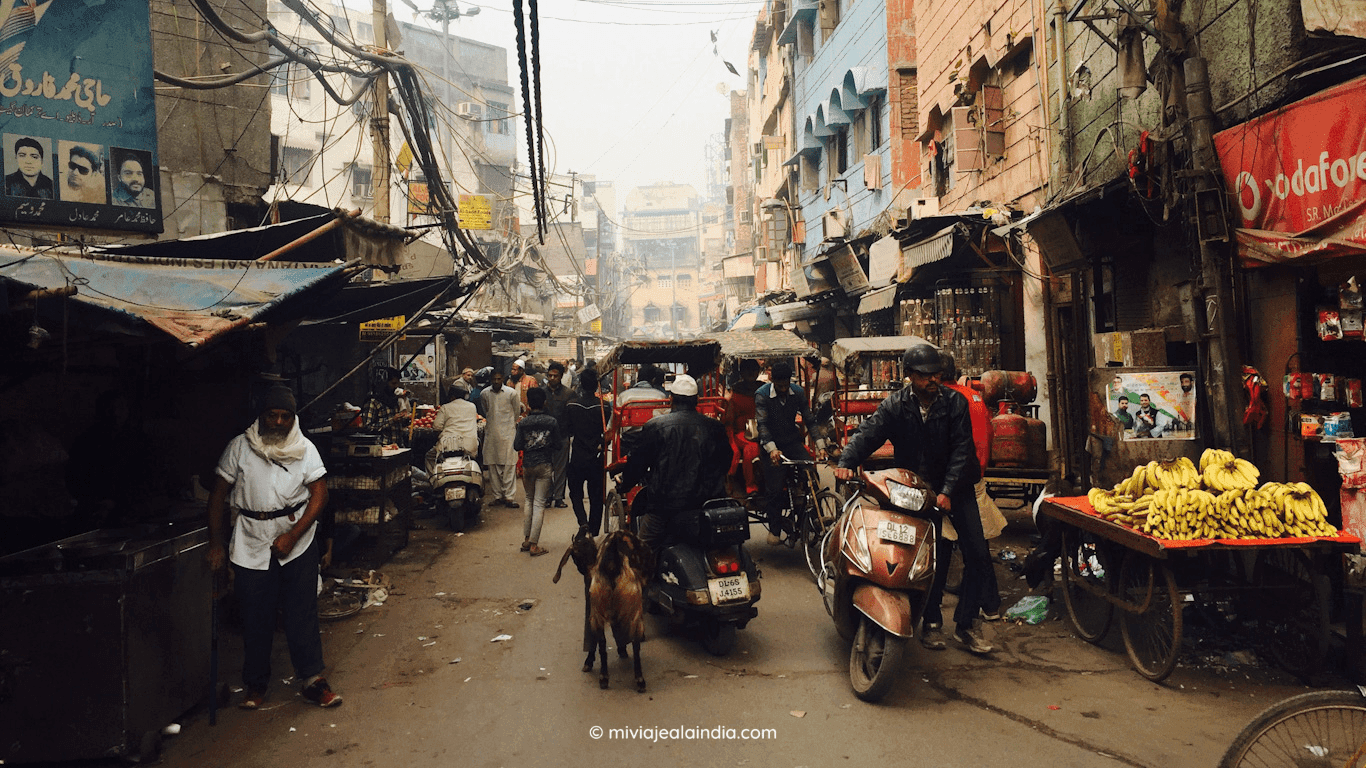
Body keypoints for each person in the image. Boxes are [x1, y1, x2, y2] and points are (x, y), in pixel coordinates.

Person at [834, 343, 994, 655]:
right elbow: (869, 434)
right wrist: (845, 463)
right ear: (909, 376)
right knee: (926, 558)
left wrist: (947, 491)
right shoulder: (895, 406)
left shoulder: (955, 403)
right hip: (918, 490)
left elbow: (962, 449)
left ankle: (965, 624)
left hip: (957, 487)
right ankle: (931, 622)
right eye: (924, 375)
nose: (932, 380)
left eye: (936, 374)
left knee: (978, 554)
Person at [206, 385, 342, 709]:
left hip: (297, 539)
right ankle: (256, 684)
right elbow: (216, 497)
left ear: (293, 419)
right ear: (262, 416)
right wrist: (215, 543)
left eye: (285, 416)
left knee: (301, 612)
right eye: (273, 415)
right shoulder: (239, 448)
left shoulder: (305, 449)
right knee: (256, 616)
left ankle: (312, 680)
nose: (278, 422)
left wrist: (293, 536)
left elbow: (320, 496)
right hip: (251, 540)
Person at [619, 374, 733, 554]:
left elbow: (638, 463)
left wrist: (625, 483)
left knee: (639, 558)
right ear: (696, 400)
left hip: (664, 508)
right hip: (706, 504)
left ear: (671, 399)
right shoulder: (714, 427)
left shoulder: (655, 426)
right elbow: (726, 460)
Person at [931, 352, 1003, 631]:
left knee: (951, 548)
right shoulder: (974, 398)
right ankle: (985, 606)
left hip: (955, 484)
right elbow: (986, 435)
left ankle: (971, 610)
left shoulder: (947, 400)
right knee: (976, 546)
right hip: (974, 478)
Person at [755, 361, 828, 542]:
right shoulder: (762, 395)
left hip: (792, 442)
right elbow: (762, 426)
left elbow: (810, 420)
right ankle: (775, 528)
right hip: (771, 445)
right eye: (779, 386)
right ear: (772, 381)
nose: (782, 389)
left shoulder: (798, 392)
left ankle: (814, 518)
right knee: (775, 487)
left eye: (785, 385)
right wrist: (772, 449)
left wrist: (821, 446)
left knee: (812, 475)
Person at [514, 387, 561, 557]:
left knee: (529, 500)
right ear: (544, 402)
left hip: (527, 465)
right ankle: (534, 545)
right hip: (545, 465)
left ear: (528, 404)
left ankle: (527, 540)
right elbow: (558, 445)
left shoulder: (523, 423)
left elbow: (517, 445)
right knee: (540, 503)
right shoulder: (551, 421)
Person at [565, 368, 610, 535]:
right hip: (596, 456)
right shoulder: (604, 407)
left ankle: (582, 522)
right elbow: (606, 432)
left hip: (577, 455)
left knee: (575, 492)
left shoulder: (571, 406)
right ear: (596, 385)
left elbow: (569, 430)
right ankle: (593, 531)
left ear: (580, 384)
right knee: (596, 496)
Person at [721, 359, 763, 497]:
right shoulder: (734, 391)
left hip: (764, 430)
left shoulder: (764, 389)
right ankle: (751, 486)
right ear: (742, 373)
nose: (751, 373)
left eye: (754, 370)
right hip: (742, 433)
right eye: (747, 370)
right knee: (751, 449)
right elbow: (729, 420)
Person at [481, 369, 522, 507]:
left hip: (508, 434)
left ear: (503, 379)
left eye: (499, 379)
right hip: (492, 434)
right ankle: (497, 496)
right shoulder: (485, 393)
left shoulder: (512, 393)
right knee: (493, 467)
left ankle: (509, 497)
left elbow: (516, 412)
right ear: (491, 379)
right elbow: (486, 410)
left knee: (509, 466)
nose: (496, 382)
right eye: (494, 379)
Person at [428, 379, 481, 473]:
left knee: (429, 456)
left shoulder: (445, 407)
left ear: (452, 397)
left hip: (448, 446)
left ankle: (432, 479)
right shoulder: (472, 406)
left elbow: (436, 427)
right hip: (470, 446)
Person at [542, 361, 575, 508]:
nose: (552, 378)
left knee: (561, 468)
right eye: (550, 376)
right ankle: (548, 496)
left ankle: (559, 497)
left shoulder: (568, 394)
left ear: (561, 376)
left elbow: (572, 416)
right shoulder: (542, 393)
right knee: (547, 468)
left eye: (555, 376)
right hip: (545, 437)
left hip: (562, 435)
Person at [359, 367, 409, 446]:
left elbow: (398, 426)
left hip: (397, 446)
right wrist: (392, 420)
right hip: (382, 447)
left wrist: (404, 419)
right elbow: (368, 427)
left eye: (397, 383)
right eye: (393, 383)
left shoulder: (394, 400)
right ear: (384, 383)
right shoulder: (373, 402)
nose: (396, 386)